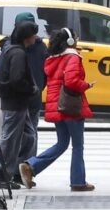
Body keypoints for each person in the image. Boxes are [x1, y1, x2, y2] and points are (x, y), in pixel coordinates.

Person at [20, 28, 94, 192]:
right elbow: (72, 81)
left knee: (62, 143)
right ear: (70, 41)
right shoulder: (73, 57)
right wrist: (86, 85)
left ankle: (31, 166)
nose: (77, 39)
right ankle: (78, 181)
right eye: (75, 37)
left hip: (56, 106)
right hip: (70, 106)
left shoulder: (52, 59)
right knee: (78, 145)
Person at [0, 12, 47, 185]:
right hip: (17, 101)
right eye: (32, 33)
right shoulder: (16, 52)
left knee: (29, 136)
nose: (35, 37)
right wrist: (30, 88)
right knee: (10, 137)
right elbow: (14, 78)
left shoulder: (33, 48)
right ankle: (3, 173)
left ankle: (22, 170)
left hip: (25, 101)